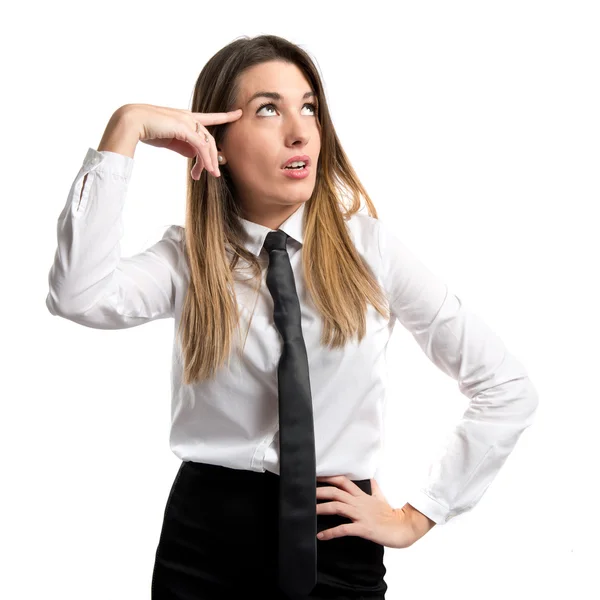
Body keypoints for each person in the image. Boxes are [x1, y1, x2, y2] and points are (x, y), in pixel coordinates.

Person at [45, 34, 539, 600]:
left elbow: (506, 387)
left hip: (336, 535)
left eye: (308, 107)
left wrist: (417, 515)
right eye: (268, 109)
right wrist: (125, 128)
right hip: (204, 542)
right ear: (216, 144)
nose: (299, 129)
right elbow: (77, 294)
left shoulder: (370, 251)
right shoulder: (189, 260)